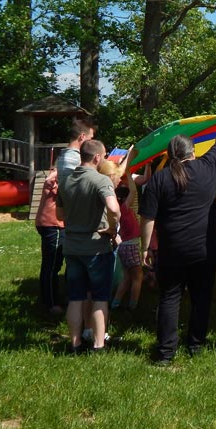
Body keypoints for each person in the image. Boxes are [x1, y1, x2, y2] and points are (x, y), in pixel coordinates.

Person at [139, 111, 216, 364]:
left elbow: (148, 218)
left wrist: (145, 248)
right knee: (202, 296)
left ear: (169, 155)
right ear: (193, 151)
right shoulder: (208, 167)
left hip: (172, 250)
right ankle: (196, 345)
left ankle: (166, 352)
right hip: (204, 249)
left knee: (170, 297)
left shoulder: (160, 178)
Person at [56, 139, 120, 354]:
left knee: (75, 297)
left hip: (72, 246)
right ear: (97, 157)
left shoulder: (65, 180)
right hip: (96, 247)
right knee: (100, 297)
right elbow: (114, 208)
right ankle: (99, 345)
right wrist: (112, 228)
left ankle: (74, 344)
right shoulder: (101, 180)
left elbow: (59, 214)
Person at [98, 152, 143, 311]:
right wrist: (129, 174)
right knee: (138, 276)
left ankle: (116, 303)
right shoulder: (124, 208)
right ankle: (134, 305)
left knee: (126, 277)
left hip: (123, 245)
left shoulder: (117, 207)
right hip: (131, 245)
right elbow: (133, 191)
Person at [35, 165, 65, 316]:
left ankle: (50, 299)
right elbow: (49, 179)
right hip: (53, 225)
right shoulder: (53, 180)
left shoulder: (57, 178)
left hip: (49, 224)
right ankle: (51, 303)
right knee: (51, 265)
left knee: (52, 264)